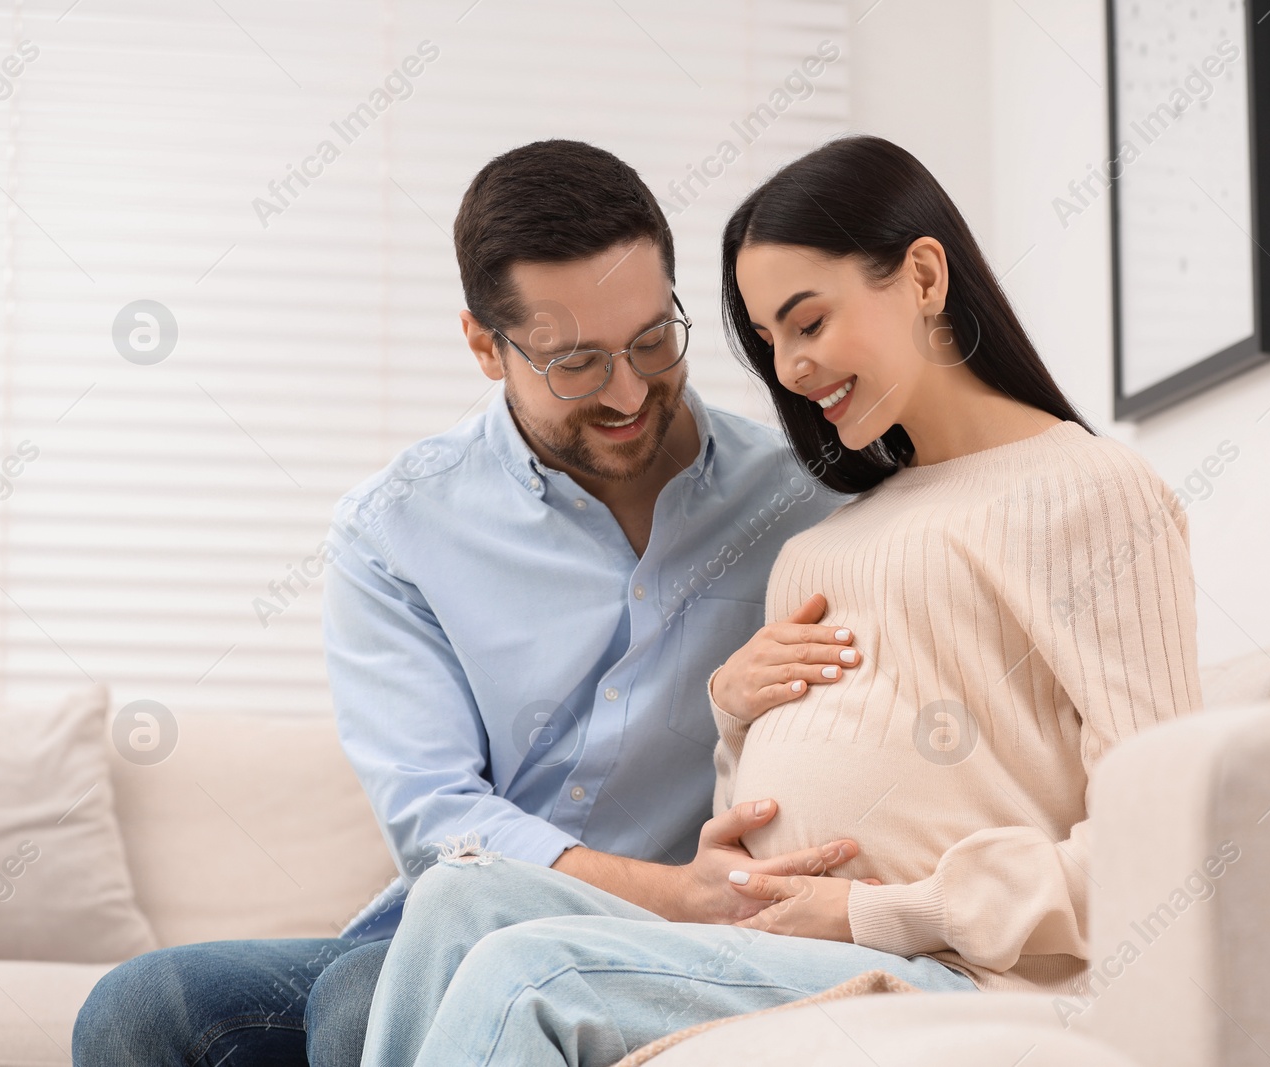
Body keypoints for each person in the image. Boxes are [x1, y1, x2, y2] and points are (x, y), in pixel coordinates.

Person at [355, 135, 1205, 1067]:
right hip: (768, 939)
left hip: (944, 961)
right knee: (453, 898)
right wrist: (733, 717)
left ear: (922, 276)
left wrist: (872, 909)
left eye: (808, 322)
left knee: (527, 974)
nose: (790, 369)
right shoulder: (819, 539)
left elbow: (1160, 841)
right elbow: (756, 812)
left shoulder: (1088, 492)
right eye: (768, 341)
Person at [71, 139, 854, 1067]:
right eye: (578, 364)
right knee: (136, 1010)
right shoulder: (395, 526)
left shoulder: (801, 502)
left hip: (661, 942)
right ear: (486, 345)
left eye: (651, 341)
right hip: (486, 902)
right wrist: (678, 889)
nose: (631, 392)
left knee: (366, 998)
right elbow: (439, 818)